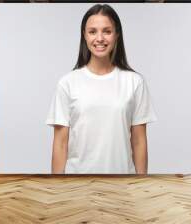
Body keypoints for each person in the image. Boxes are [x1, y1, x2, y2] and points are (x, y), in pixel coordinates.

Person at [46, 4, 157, 174]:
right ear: (84, 35)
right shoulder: (67, 83)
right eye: (92, 31)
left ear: (117, 34)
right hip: (77, 185)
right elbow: (60, 143)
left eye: (107, 31)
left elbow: (139, 141)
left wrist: (140, 185)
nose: (100, 38)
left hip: (122, 184)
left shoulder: (135, 82)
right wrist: (58, 188)